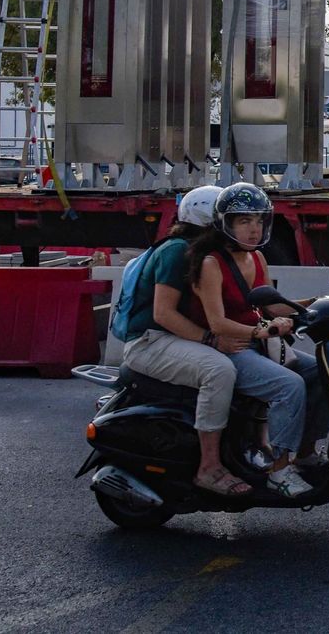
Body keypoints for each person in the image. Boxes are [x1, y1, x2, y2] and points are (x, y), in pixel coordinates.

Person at [184, 182, 328, 499]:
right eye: (244, 221)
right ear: (226, 224)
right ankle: (279, 470)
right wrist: (258, 331)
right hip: (232, 347)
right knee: (289, 385)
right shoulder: (211, 263)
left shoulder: (257, 258)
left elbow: (270, 305)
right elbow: (217, 321)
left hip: (259, 341)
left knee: (320, 371)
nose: (253, 229)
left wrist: (311, 304)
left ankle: (304, 451)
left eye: (258, 221)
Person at [120, 184, 252, 497]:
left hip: (173, 338)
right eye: (227, 217)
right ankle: (208, 467)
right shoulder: (177, 251)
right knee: (218, 370)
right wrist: (212, 340)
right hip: (150, 341)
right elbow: (163, 314)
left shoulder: (209, 252)